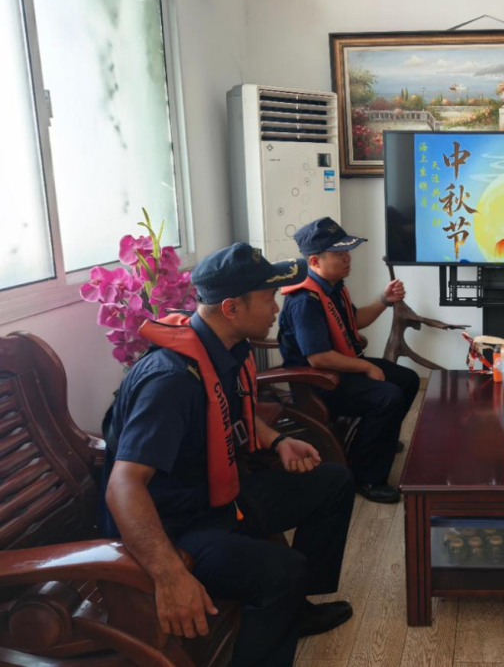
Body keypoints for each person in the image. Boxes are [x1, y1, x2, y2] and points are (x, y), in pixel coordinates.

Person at [100, 243, 356, 667]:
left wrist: (277, 441)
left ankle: (294, 611)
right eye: (268, 298)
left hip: (216, 499)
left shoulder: (223, 348)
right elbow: (123, 485)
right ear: (232, 308)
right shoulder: (170, 382)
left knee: (332, 482)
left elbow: (229, 410)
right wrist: (170, 576)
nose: (276, 308)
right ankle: (281, 608)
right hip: (175, 527)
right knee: (283, 570)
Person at [277, 217, 419, 504]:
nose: (347, 258)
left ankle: (380, 439)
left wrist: (384, 300)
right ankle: (366, 476)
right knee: (388, 396)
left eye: (347, 251)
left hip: (341, 370)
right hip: (319, 383)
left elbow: (355, 321)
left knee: (408, 379)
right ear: (315, 261)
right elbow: (318, 357)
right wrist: (367, 366)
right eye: (339, 253)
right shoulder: (305, 300)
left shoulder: (333, 287)